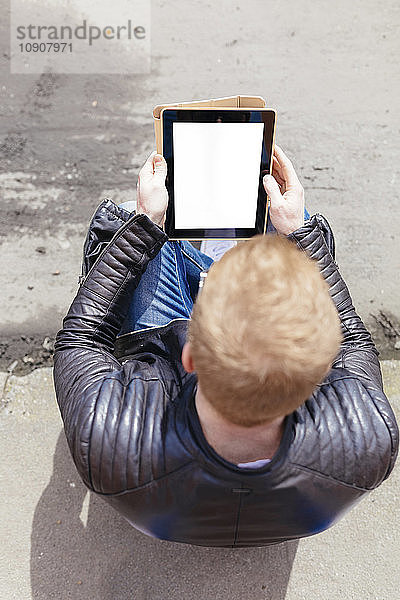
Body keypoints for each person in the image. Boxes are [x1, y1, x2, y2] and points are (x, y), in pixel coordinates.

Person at [53, 145, 398, 548]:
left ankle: (177, 246)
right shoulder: (370, 435)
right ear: (320, 373)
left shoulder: (104, 434)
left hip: (168, 498)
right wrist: (297, 233)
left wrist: (145, 222)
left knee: (130, 210)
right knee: (288, 224)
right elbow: (353, 338)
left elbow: (81, 337)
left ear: (190, 356)